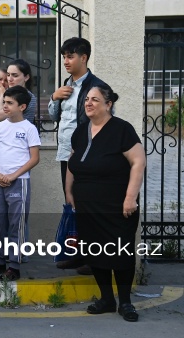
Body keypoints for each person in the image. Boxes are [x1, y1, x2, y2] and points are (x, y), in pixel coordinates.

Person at [65, 86, 145, 322]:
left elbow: (138, 162)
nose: (88, 103)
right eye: (86, 99)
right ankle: (107, 299)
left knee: (121, 252)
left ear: (108, 104)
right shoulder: (81, 131)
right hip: (87, 205)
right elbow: (72, 161)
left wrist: (130, 197)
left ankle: (126, 302)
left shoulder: (122, 129)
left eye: (95, 100)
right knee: (95, 251)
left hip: (117, 205)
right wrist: (68, 191)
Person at [48, 38, 109, 274]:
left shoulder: (97, 87)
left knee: (88, 205)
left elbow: (104, 121)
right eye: (64, 56)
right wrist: (54, 97)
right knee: (72, 203)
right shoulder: (66, 84)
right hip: (66, 154)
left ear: (84, 58)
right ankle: (77, 255)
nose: (66, 61)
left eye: (70, 56)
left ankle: (94, 259)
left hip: (86, 155)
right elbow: (55, 118)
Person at [0, 86, 41, 281]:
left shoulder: (29, 129)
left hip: (18, 182)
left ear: (22, 107)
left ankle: (14, 265)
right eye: (4, 102)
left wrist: (14, 175)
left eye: (9, 103)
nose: (4, 106)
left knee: (17, 223)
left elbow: (34, 158)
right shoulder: (0, 127)